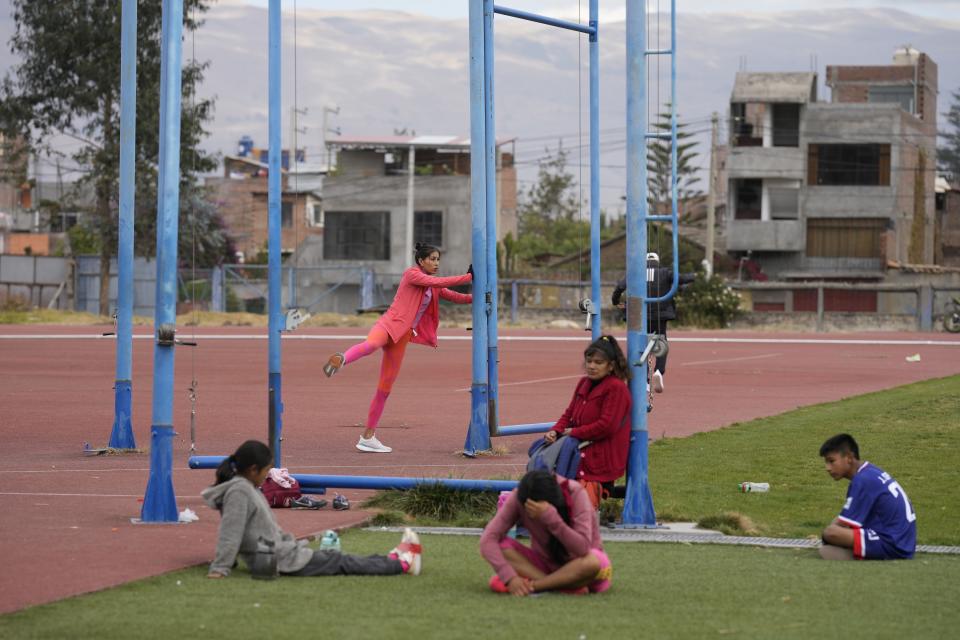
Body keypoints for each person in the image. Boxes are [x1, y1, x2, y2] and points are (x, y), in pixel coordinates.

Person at [322, 243, 473, 453]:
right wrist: (467, 278)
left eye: (438, 259)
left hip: (402, 337)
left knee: (384, 389)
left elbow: (454, 296)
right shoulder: (412, 274)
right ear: (421, 261)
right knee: (371, 345)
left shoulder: (432, 287)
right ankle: (341, 359)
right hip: (388, 324)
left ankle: (368, 436)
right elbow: (437, 281)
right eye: (432, 259)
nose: (436, 263)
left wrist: (477, 299)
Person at [203, 440, 422, 578]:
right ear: (253, 470)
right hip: (281, 561)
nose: (267, 476)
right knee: (340, 562)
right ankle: (400, 565)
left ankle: (391, 560)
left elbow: (236, 532)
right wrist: (220, 568)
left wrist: (227, 562)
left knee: (337, 560)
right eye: (267, 471)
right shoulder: (239, 491)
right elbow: (230, 532)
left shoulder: (244, 488)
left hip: (283, 554)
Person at [479, 470, 613, 596]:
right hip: (546, 565)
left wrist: (551, 518)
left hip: (582, 566)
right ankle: (564, 587)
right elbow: (488, 539)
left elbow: (582, 549)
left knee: (592, 562)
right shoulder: (520, 496)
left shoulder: (575, 492)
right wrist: (510, 578)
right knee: (500, 545)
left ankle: (535, 586)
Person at [543, 335, 631, 508]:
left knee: (570, 501)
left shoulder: (616, 388)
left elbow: (607, 426)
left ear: (611, 366)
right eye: (589, 361)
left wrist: (574, 432)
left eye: (598, 363)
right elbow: (569, 413)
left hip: (600, 454)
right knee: (543, 472)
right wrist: (556, 430)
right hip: (579, 448)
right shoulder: (584, 383)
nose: (591, 366)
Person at [818, 433, 916, 561]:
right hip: (902, 541)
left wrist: (827, 535)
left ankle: (862, 555)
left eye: (831, 461)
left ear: (848, 457)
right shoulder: (870, 471)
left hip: (892, 543)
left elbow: (839, 526)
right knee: (833, 536)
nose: (828, 468)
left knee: (830, 534)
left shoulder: (862, 480)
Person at [611, 252, 695, 393]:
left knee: (639, 346)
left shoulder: (635, 272)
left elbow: (620, 287)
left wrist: (615, 301)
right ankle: (658, 371)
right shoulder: (665, 272)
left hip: (637, 313)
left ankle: (643, 380)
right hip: (658, 312)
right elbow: (681, 281)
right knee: (661, 341)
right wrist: (695, 277)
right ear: (657, 261)